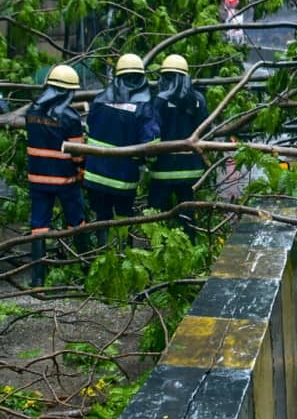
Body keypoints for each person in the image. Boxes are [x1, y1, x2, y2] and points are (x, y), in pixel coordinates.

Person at [83, 53, 159, 245]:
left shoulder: (100, 99)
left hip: (95, 175)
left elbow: (90, 125)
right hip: (122, 179)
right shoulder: (143, 106)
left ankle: (101, 255)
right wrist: (143, 161)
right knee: (124, 216)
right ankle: (124, 255)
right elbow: (151, 143)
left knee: (102, 217)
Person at [24, 65, 88, 286]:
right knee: (77, 222)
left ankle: (37, 280)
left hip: (37, 180)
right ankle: (85, 269)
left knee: (39, 227)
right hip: (65, 181)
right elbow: (78, 155)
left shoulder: (31, 113)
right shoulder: (71, 118)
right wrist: (81, 176)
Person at [149, 55, 209, 236]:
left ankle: (158, 250)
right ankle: (189, 245)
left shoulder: (159, 100)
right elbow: (207, 130)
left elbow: (152, 132)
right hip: (191, 169)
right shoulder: (199, 99)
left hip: (163, 169)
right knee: (188, 213)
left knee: (155, 216)